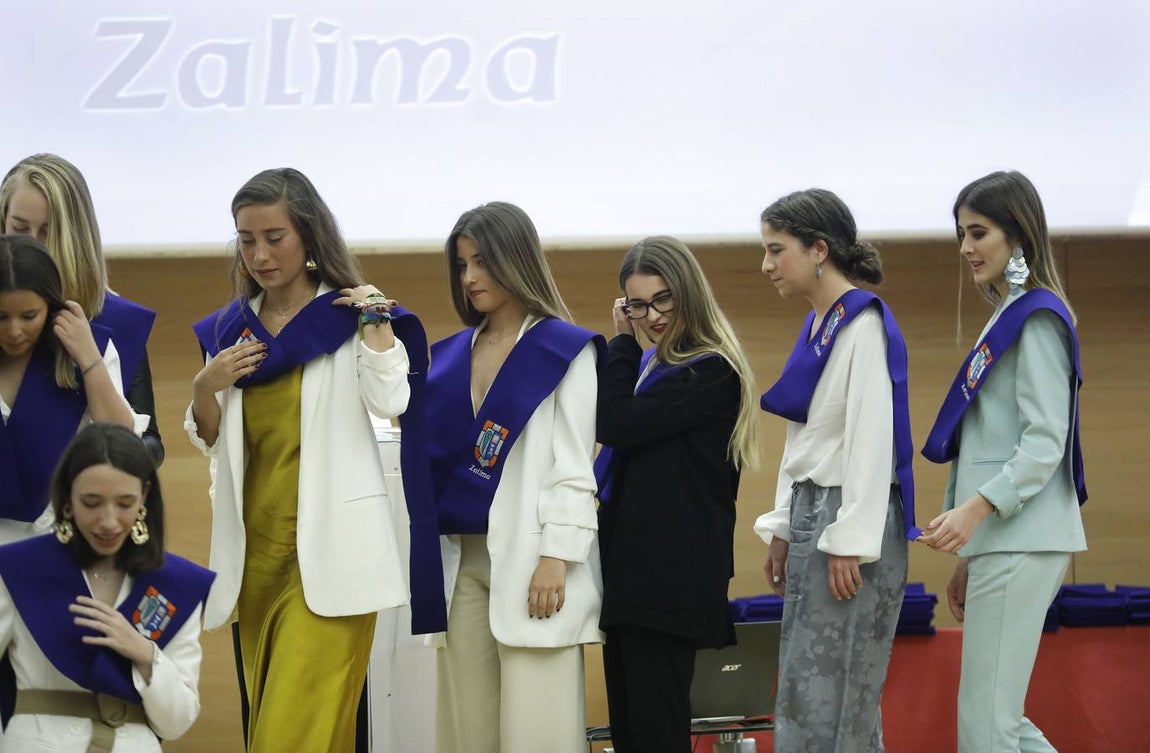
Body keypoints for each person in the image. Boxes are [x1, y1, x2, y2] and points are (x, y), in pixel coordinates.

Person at [186, 167, 442, 753]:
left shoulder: (352, 316)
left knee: (286, 737)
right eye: (246, 239)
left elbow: (391, 401)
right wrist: (204, 387)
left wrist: (377, 326)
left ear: (308, 235)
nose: (259, 254)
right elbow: (210, 442)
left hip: (331, 557)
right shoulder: (228, 330)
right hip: (255, 557)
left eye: (274, 237)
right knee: (310, 738)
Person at [918, 171, 1087, 753]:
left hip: (1023, 535)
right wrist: (971, 547)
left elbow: (1045, 443)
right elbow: (986, 441)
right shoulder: (1011, 312)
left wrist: (975, 513)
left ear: (1018, 236)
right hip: (1006, 539)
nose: (965, 247)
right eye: (961, 234)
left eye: (978, 232)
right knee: (999, 722)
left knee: (986, 725)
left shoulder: (1035, 315)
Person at [426, 201, 603, 753]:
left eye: (483, 261)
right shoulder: (449, 356)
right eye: (461, 264)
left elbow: (576, 465)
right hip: (460, 565)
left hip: (536, 562)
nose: (471, 277)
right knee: (467, 731)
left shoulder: (564, 349)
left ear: (517, 258)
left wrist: (558, 555)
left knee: (539, 732)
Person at [753, 189, 917, 752]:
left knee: (839, 689)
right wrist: (781, 524)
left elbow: (874, 439)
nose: (767, 264)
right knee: (805, 687)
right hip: (813, 509)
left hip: (850, 516)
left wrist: (850, 537)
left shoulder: (862, 322)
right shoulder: (818, 322)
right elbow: (803, 437)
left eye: (777, 250)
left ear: (818, 248)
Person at [595, 235, 759, 753]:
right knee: (632, 731)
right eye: (638, 305)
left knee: (656, 732)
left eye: (662, 298)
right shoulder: (659, 367)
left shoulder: (708, 369)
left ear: (687, 290)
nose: (652, 316)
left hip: (668, 582)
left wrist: (620, 341)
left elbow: (616, 422)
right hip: (633, 577)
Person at [0, 421, 214, 752]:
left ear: (144, 496)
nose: (109, 521)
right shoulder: (18, 569)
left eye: (125, 503)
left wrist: (145, 654)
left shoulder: (176, 584)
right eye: (92, 502)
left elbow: (177, 722)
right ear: (68, 495)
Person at [0, 154, 163, 465]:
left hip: (69, 507)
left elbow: (135, 449)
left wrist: (89, 359)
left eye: (47, 232)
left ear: (74, 236)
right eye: (20, 228)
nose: (33, 244)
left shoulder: (110, 322)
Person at [0, 234, 146, 543]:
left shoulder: (85, 347)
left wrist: (88, 358)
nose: (14, 331)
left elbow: (122, 441)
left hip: (61, 545)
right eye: (1, 317)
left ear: (51, 305)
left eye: (29, 316)